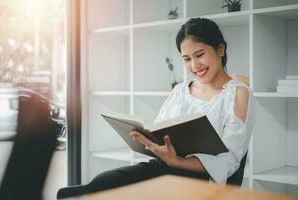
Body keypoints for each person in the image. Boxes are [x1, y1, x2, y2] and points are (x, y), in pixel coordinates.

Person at [57, 17, 254, 198]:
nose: (194, 65)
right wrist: (148, 140)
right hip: (164, 168)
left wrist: (177, 161)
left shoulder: (238, 93)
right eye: (186, 58)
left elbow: (229, 161)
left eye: (200, 54)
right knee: (107, 181)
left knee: (117, 190)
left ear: (221, 49)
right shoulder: (179, 91)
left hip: (202, 181)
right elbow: (160, 132)